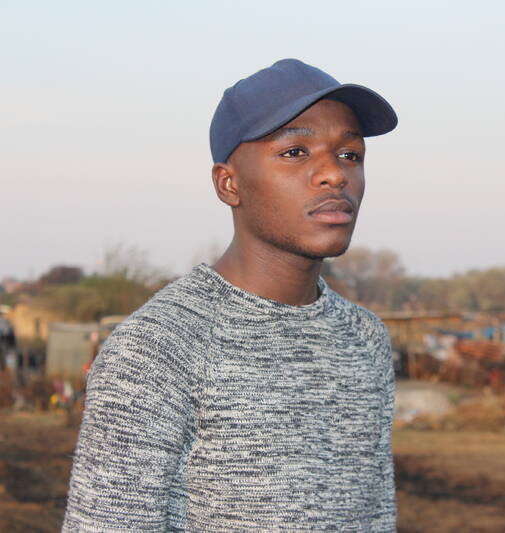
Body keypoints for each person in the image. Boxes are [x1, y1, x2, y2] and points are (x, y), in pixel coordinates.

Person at [63, 59, 398, 532]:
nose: (334, 175)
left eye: (349, 155)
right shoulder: (158, 349)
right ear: (229, 183)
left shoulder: (365, 338)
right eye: (295, 152)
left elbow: (376, 516)